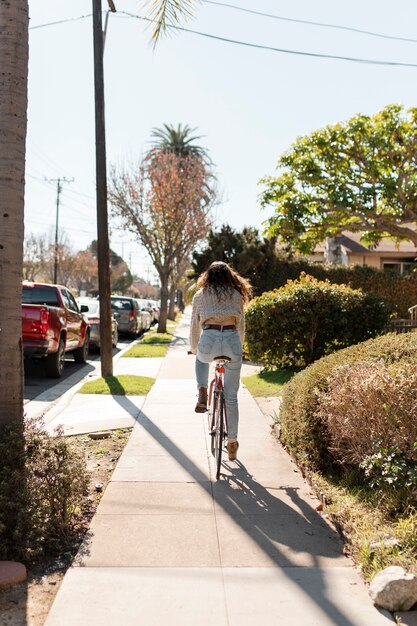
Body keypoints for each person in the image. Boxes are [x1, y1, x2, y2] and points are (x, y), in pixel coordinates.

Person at [189, 261, 252, 461]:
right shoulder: (236, 296)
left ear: (208, 276)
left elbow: (194, 326)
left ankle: (202, 390)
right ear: (230, 276)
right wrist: (239, 347)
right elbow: (241, 325)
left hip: (209, 340)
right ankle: (232, 441)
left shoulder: (200, 295)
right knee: (231, 397)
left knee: (200, 360)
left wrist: (193, 348)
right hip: (232, 341)